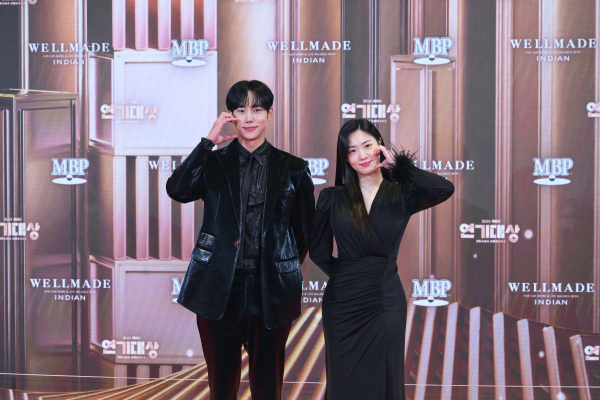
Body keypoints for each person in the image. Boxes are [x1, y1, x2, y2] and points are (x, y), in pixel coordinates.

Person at [166, 80, 315, 400]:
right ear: (230, 115)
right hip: (218, 284)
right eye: (241, 110)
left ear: (269, 114)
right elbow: (177, 190)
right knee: (222, 385)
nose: (249, 118)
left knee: (268, 387)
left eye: (257, 110)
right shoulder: (212, 162)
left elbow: (303, 232)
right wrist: (207, 143)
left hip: (270, 288)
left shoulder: (294, 168)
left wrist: (279, 266)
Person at [309, 118, 454, 399]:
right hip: (343, 304)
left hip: (385, 298)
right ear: (345, 158)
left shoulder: (403, 194)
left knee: (386, 376)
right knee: (343, 380)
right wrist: (349, 273)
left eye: (367, 146)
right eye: (352, 150)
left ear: (380, 146)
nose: (362, 155)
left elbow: (444, 189)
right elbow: (318, 251)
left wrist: (400, 167)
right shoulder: (332, 198)